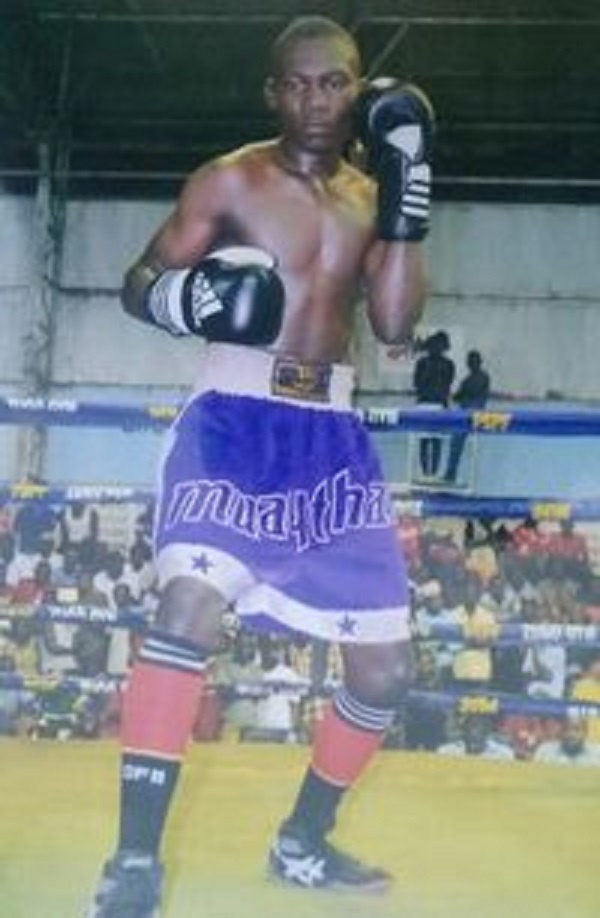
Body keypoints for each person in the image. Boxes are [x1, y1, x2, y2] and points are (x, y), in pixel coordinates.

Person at [86, 15, 433, 914]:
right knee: (187, 607)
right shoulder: (230, 180)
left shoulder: (371, 194)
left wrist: (410, 200)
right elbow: (135, 283)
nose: (318, 100)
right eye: (301, 84)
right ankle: (133, 861)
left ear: (358, 89)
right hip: (233, 418)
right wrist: (185, 297)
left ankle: (303, 842)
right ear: (273, 92)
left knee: (386, 670)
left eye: (337, 83)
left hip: (332, 433)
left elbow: (393, 327)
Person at [412, 330, 455, 479]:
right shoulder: (424, 363)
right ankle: (426, 473)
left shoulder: (447, 364)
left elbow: (447, 384)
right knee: (427, 440)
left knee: (435, 440)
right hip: (427, 403)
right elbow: (417, 383)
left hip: (435, 403)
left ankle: (432, 473)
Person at [444, 349, 490, 483]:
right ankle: (450, 473)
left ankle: (451, 473)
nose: (472, 364)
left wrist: (459, 395)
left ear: (479, 362)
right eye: (470, 361)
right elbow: (458, 397)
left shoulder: (482, 377)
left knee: (457, 437)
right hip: (464, 414)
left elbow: (467, 392)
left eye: (474, 361)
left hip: (475, 415)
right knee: (455, 440)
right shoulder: (466, 380)